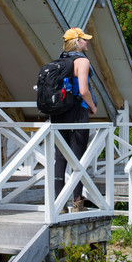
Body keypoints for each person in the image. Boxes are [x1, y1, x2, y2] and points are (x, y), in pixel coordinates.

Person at [51, 27, 98, 212]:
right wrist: (93, 107)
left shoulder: (59, 61)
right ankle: (77, 203)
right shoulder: (82, 62)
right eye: (84, 39)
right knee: (78, 158)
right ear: (77, 42)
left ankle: (60, 204)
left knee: (60, 158)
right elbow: (84, 90)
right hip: (77, 112)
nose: (87, 42)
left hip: (59, 112)